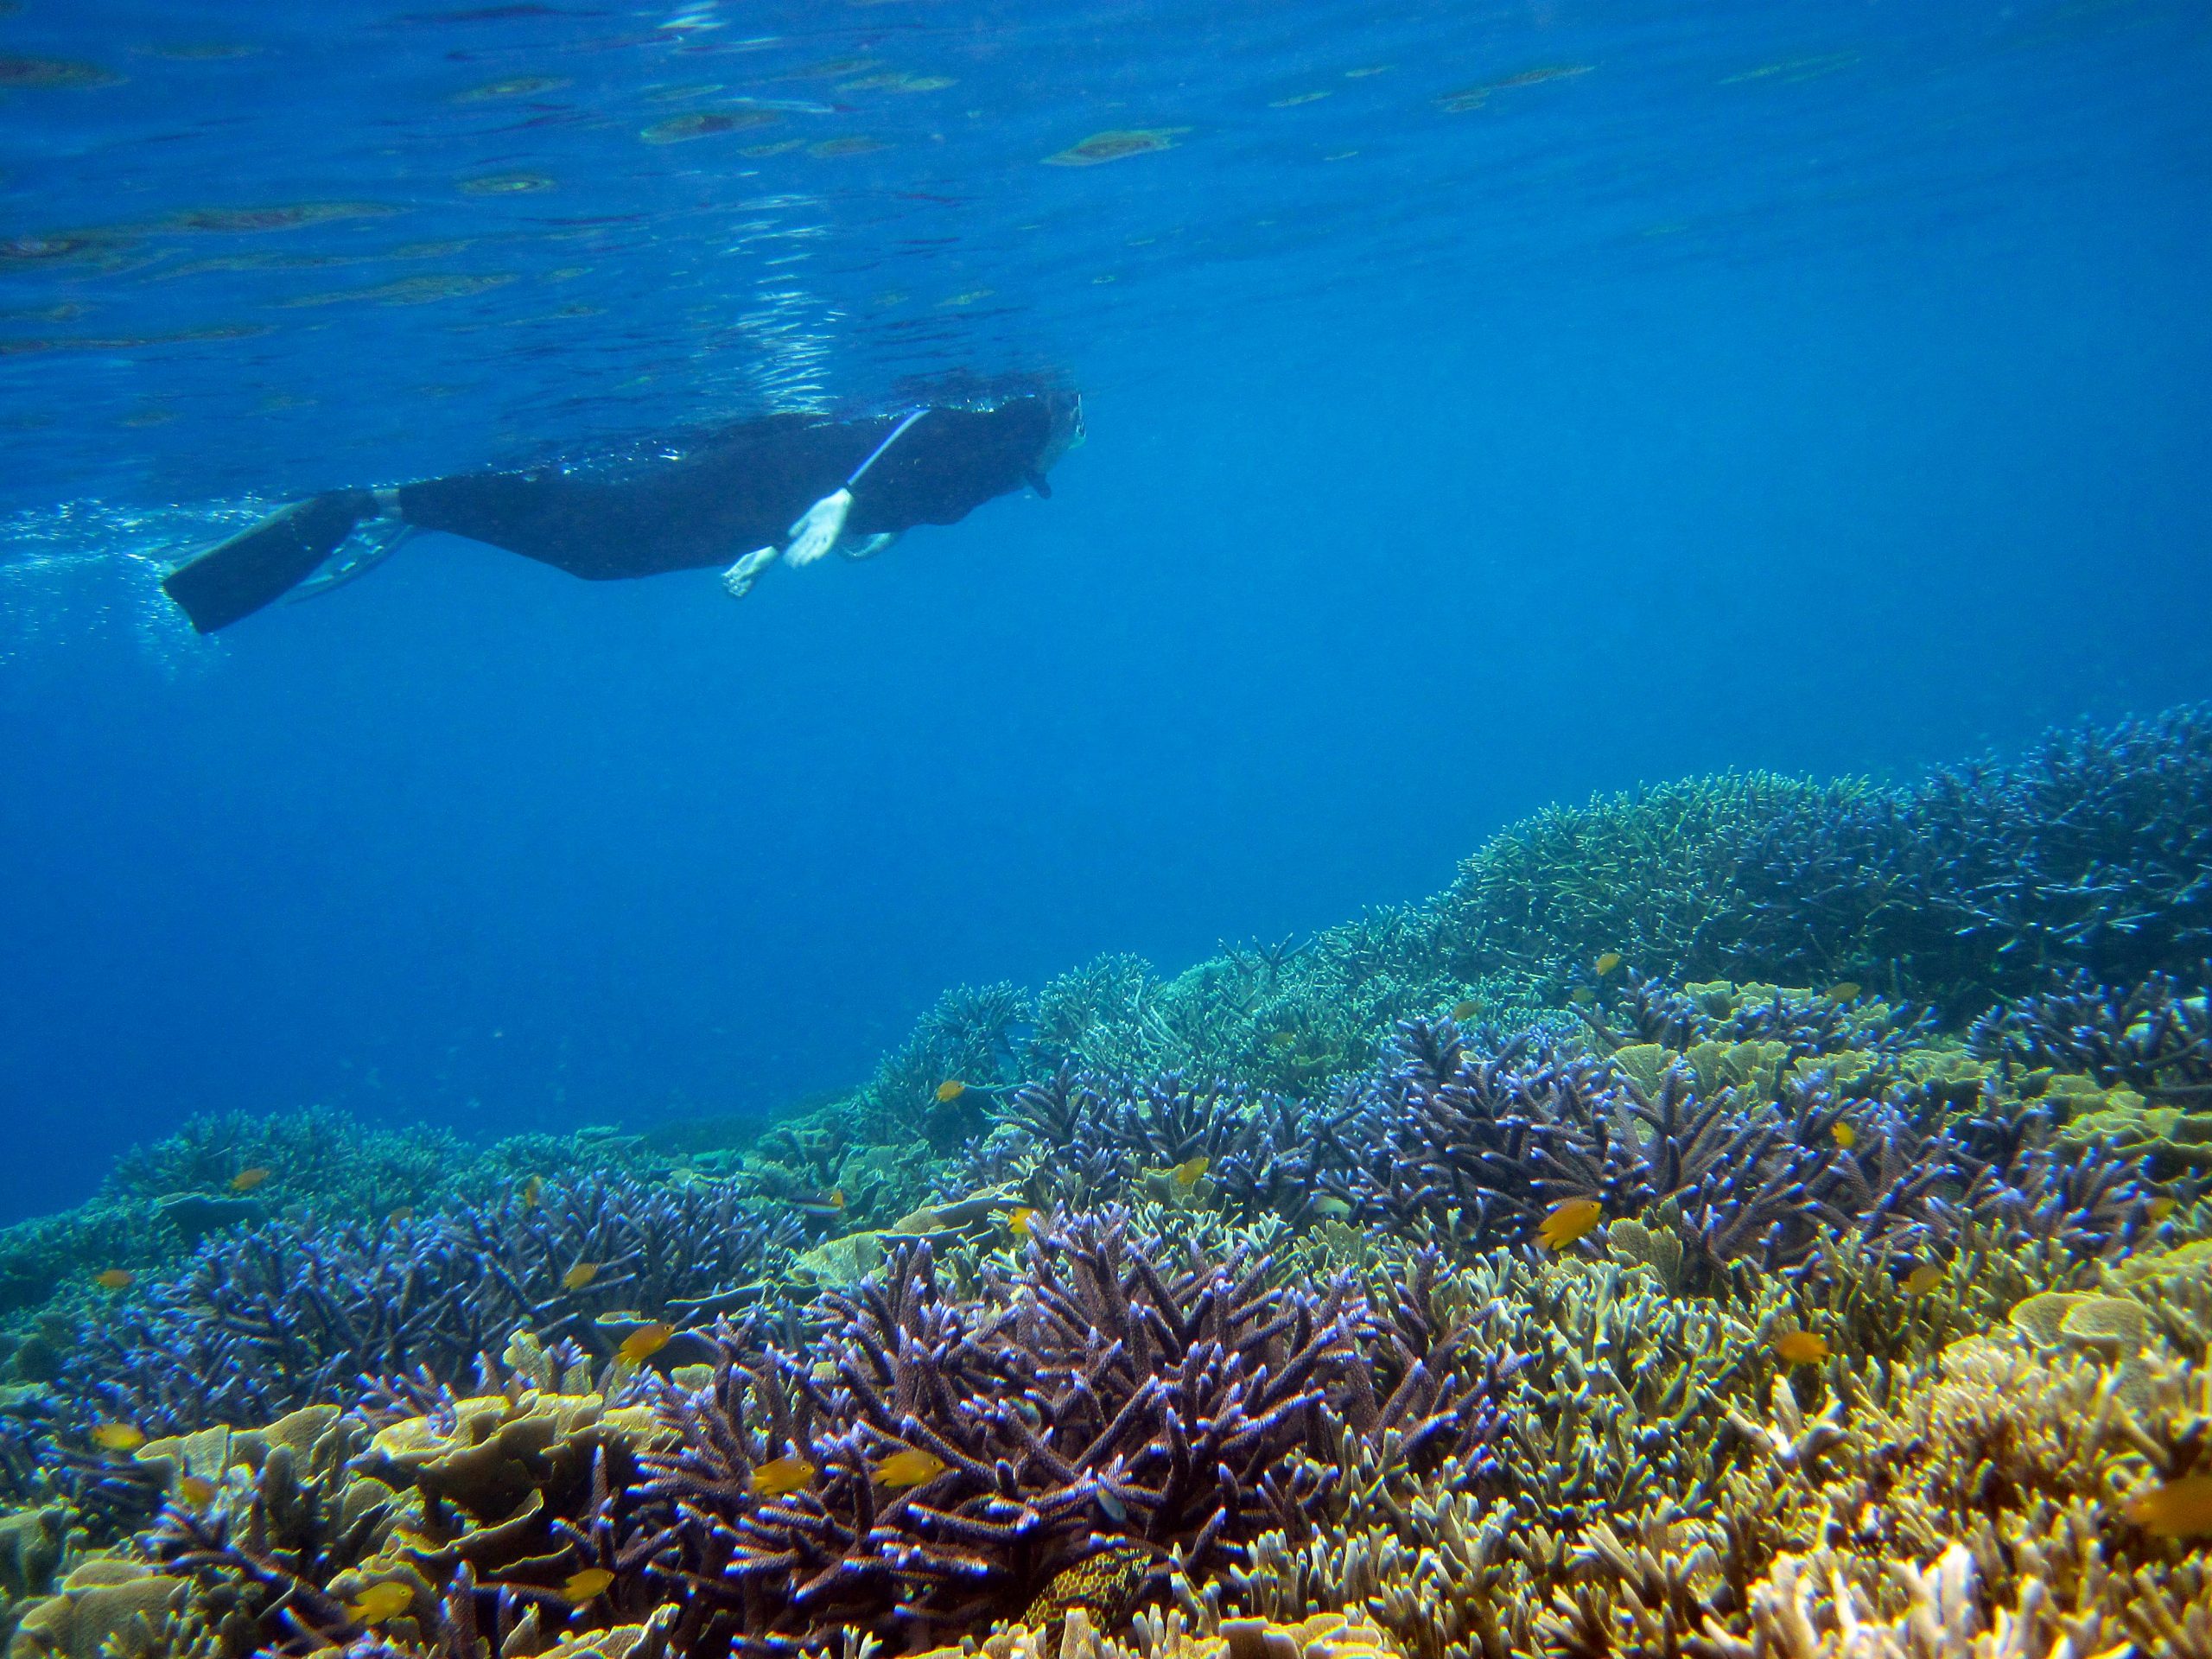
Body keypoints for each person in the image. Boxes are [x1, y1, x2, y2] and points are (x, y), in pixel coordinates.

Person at [161, 380, 1083, 633]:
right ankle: (383, 500)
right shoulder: (1011, 434)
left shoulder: (1006, 471)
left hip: (772, 501)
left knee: (605, 549)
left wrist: (798, 540)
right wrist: (840, 500)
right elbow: (917, 425)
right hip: (778, 470)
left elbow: (902, 488)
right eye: (1074, 429)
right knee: (605, 540)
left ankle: (413, 504)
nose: (1074, 441)